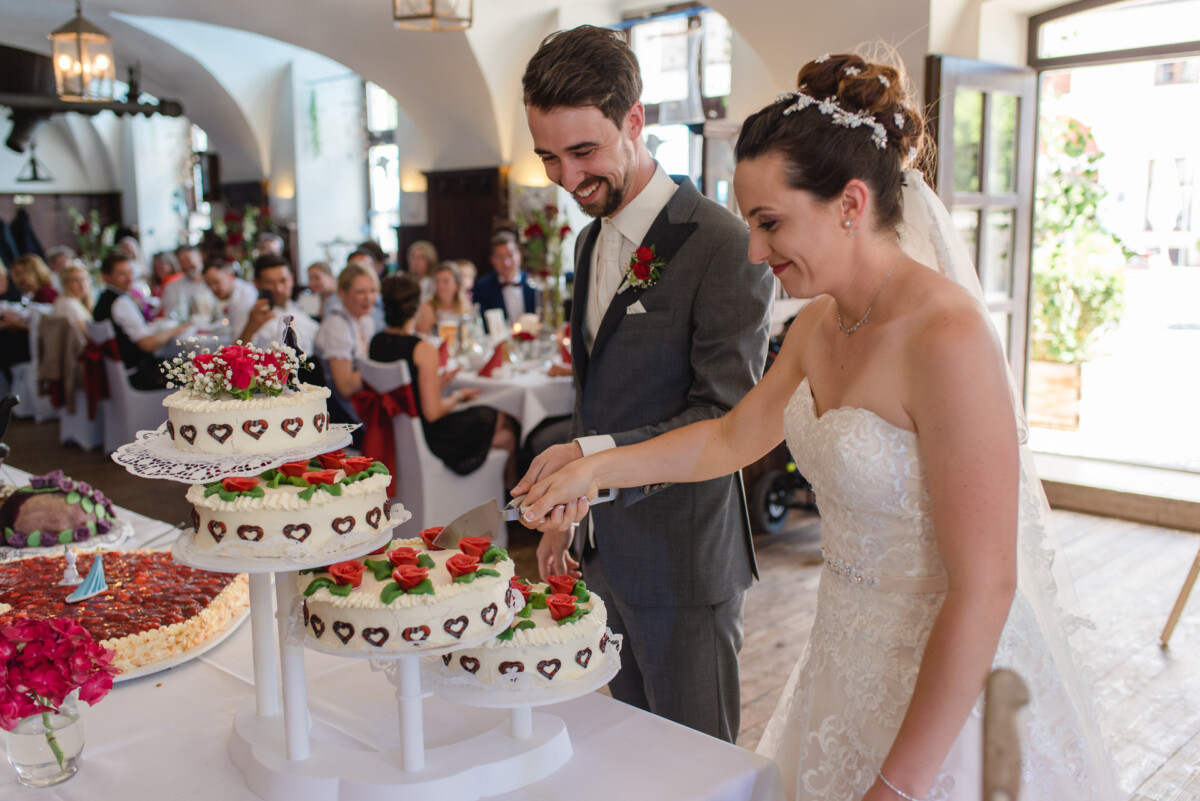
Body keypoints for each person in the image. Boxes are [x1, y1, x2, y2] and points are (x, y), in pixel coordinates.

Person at [517, 53, 1120, 801]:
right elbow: (728, 439)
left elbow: (987, 586)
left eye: (769, 223)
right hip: (844, 663)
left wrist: (897, 786)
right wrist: (589, 464)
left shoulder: (948, 336)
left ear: (850, 202)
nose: (755, 251)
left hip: (952, 697)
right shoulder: (817, 326)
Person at [515, 25, 774, 743]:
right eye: (548, 158)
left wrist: (589, 467)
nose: (567, 180)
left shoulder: (723, 244)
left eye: (583, 152)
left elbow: (722, 415)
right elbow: (596, 395)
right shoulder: (589, 241)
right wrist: (573, 508)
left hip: (686, 568)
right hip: (602, 555)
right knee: (624, 760)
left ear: (635, 121)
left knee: (697, 770)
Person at [370, 274, 518, 483]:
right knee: (501, 418)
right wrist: (458, 395)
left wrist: (436, 384)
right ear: (417, 307)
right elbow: (432, 413)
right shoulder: (422, 349)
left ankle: (505, 490)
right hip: (428, 436)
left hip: (393, 433)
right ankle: (511, 494)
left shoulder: (376, 343)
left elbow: (402, 391)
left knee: (505, 435)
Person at [93, 252, 188, 390]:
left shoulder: (102, 301)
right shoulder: (120, 302)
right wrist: (177, 330)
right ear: (106, 277)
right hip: (138, 374)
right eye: (122, 274)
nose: (129, 278)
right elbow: (147, 344)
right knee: (196, 368)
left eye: (130, 272)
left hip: (120, 375)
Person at [314, 262, 380, 401]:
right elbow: (345, 387)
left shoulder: (365, 321)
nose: (368, 298)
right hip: (341, 408)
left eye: (372, 291)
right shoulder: (336, 325)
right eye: (360, 292)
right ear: (342, 293)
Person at [234, 254, 318, 353]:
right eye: (269, 282)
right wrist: (251, 326)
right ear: (257, 283)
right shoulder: (250, 314)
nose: (278, 289)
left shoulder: (303, 310)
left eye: (283, 281)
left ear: (291, 279)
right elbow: (236, 354)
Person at [472, 231, 537, 326]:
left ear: (519, 256)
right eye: (500, 257)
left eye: (510, 255)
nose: (506, 263)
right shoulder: (482, 287)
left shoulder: (535, 283)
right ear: (492, 260)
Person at [160, 245, 216, 322]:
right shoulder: (172, 288)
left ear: (199, 257)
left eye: (187, 259)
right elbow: (170, 316)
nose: (186, 265)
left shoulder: (214, 283)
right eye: (181, 262)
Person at [414, 261, 471, 336]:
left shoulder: (465, 307)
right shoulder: (427, 307)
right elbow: (422, 338)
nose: (440, 286)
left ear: (457, 285)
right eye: (437, 281)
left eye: (445, 281)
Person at [202, 261, 257, 331]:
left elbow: (239, 340)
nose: (213, 288)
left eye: (216, 282)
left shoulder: (240, 298)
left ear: (231, 275)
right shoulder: (239, 291)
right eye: (209, 285)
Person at [51, 261, 95, 335]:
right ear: (66, 284)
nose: (82, 284)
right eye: (76, 280)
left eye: (84, 279)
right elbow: (90, 335)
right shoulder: (68, 305)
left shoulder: (73, 302)